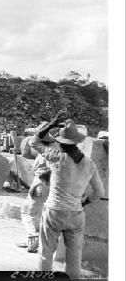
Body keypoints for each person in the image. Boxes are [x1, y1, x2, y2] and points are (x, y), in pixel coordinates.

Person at [29, 116, 104, 279]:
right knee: (74, 258)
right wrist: (84, 202)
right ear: (77, 141)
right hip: (76, 213)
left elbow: (33, 143)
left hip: (53, 212)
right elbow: (99, 193)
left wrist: (49, 125)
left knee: (45, 253)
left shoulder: (56, 156)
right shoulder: (89, 164)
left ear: (60, 142)